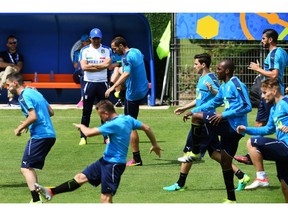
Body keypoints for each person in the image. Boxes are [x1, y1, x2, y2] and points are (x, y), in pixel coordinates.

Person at [35, 100, 162, 203]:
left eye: (100, 115)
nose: (101, 118)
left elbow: (89, 133)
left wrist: (82, 126)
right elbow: (147, 127)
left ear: (106, 113)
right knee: (80, 177)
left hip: (114, 165)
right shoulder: (127, 119)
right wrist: (155, 144)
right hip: (105, 161)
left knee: (105, 199)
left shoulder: (112, 125)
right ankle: (51, 192)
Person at [163, 54, 250, 193]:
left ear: (203, 65)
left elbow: (220, 97)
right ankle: (241, 176)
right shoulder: (202, 78)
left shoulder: (212, 79)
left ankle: (180, 184)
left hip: (207, 122)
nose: (194, 66)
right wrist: (189, 109)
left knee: (189, 151)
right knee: (215, 153)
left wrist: (211, 100)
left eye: (196, 64)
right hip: (206, 118)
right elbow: (202, 100)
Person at [234, 29, 288, 165]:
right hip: (269, 93)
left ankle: (255, 152)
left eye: (263, 38)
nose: (262, 41)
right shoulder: (281, 52)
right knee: (260, 122)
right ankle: (252, 153)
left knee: (270, 123)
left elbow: (274, 75)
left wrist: (258, 69)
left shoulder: (274, 54)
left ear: (270, 40)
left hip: (273, 93)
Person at [5, 72, 56, 203]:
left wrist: (19, 128)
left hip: (40, 136)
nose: (6, 87)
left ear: (15, 83)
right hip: (50, 135)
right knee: (29, 167)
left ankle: (36, 200)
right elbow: (50, 112)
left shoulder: (23, 96)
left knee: (25, 167)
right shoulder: (35, 92)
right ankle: (37, 198)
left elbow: (33, 116)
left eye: (7, 85)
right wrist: (29, 122)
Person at [237, 79, 288, 202]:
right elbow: (268, 129)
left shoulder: (285, 102)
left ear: (274, 90)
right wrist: (246, 129)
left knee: (252, 142)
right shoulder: (273, 109)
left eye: (265, 92)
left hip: (286, 146)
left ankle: (261, 178)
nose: (262, 96)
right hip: (282, 148)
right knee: (285, 185)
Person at [105, 37, 149, 166]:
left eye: (114, 48)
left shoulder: (126, 58)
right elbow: (132, 64)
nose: (114, 51)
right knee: (118, 69)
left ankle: (137, 159)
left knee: (130, 125)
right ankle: (120, 93)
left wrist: (112, 88)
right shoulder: (136, 51)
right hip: (143, 89)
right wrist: (119, 66)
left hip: (133, 94)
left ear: (121, 46)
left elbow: (126, 74)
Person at [78, 28, 112, 146]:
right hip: (89, 83)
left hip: (102, 83)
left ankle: (106, 136)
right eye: (94, 38)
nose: (96, 41)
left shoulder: (106, 49)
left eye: (98, 38)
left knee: (105, 111)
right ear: (90, 39)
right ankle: (83, 136)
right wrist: (99, 66)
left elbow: (107, 65)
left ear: (101, 38)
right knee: (86, 111)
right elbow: (83, 67)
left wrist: (91, 65)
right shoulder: (84, 50)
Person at [0, 35, 24, 106]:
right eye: (10, 43)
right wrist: (12, 64)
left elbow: (18, 68)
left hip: (14, 75)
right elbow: (0, 64)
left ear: (16, 43)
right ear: (7, 44)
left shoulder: (19, 55)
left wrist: (10, 66)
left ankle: (0, 85)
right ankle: (11, 100)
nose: (13, 44)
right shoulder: (2, 53)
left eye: (14, 42)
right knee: (6, 74)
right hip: (2, 75)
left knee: (8, 69)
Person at [72, 34, 90, 108]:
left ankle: (84, 99)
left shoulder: (92, 51)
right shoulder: (77, 52)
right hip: (78, 73)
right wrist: (81, 60)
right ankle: (82, 99)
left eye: (87, 41)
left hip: (88, 73)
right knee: (83, 76)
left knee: (85, 77)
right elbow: (75, 66)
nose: (85, 43)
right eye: (84, 42)